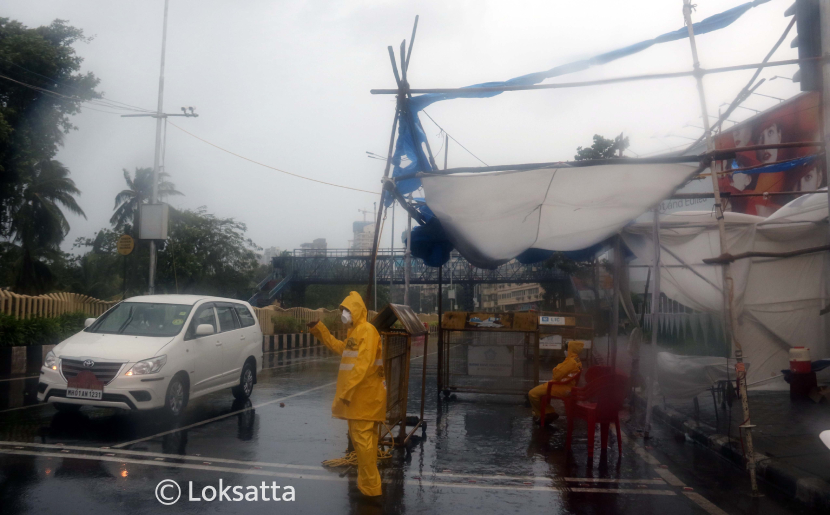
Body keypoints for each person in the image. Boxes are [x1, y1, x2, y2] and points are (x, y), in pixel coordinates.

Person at [308, 291, 386, 497]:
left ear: (357, 311)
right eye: (343, 310)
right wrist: (320, 330)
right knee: (364, 443)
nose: (344, 314)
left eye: (347, 310)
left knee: (363, 443)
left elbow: (363, 364)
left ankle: (371, 489)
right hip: (360, 398)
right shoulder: (356, 332)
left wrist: (347, 390)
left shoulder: (367, 331)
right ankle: (368, 486)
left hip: (365, 397)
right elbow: (341, 348)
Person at [527, 340, 584, 424]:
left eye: (566, 348)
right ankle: (549, 412)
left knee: (532, 394)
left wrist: (555, 369)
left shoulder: (570, 362)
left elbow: (556, 376)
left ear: (570, 349)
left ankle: (545, 414)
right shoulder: (576, 360)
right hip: (567, 386)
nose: (565, 350)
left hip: (562, 387)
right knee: (539, 392)